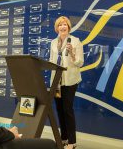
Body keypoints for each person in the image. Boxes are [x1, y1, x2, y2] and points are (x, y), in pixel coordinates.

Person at [50, 16, 84, 149]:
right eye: (60, 25)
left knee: (67, 109)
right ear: (57, 28)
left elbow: (80, 63)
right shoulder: (53, 42)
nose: (62, 27)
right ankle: (63, 138)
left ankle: (72, 141)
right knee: (59, 109)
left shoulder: (75, 41)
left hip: (70, 80)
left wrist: (72, 54)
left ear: (69, 27)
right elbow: (52, 60)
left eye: (65, 24)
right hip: (57, 81)